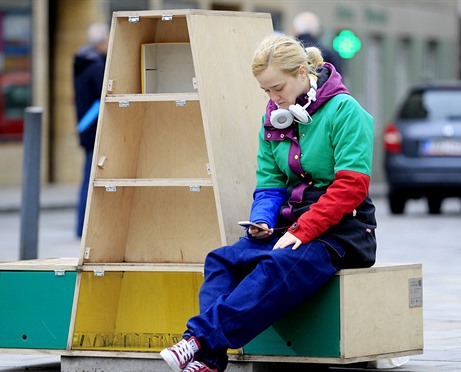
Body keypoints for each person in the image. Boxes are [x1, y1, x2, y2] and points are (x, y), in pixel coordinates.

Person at [160, 34, 377, 372]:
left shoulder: (347, 112)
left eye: (278, 88)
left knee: (277, 263)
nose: (273, 100)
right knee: (221, 260)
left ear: (303, 73)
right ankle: (210, 361)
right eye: (266, 92)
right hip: (293, 222)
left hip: (343, 230)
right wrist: (262, 219)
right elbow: (270, 184)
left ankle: (199, 339)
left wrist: (304, 230)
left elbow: (350, 187)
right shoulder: (273, 121)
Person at [73, 23, 109, 237]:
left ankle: (81, 227)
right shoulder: (96, 67)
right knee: (90, 180)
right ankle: (84, 228)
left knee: (87, 178)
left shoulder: (81, 62)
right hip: (95, 130)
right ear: (101, 42)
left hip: (85, 128)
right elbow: (104, 97)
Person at [293, 11, 343, 75]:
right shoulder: (330, 54)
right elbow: (338, 80)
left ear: (296, 29)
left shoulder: (289, 52)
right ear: (316, 30)